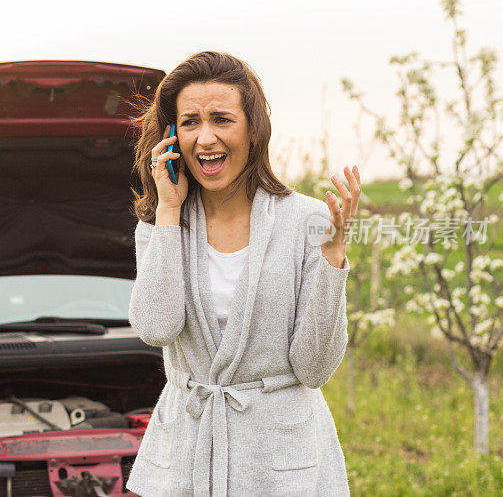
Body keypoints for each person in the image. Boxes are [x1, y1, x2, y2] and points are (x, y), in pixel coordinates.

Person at [125, 51, 361, 497]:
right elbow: (156, 327)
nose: (205, 137)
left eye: (222, 119)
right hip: (187, 457)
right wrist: (170, 210)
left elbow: (314, 368)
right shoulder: (163, 221)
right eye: (190, 122)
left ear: (253, 129)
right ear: (172, 135)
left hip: (281, 462)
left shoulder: (308, 221)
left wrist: (332, 256)